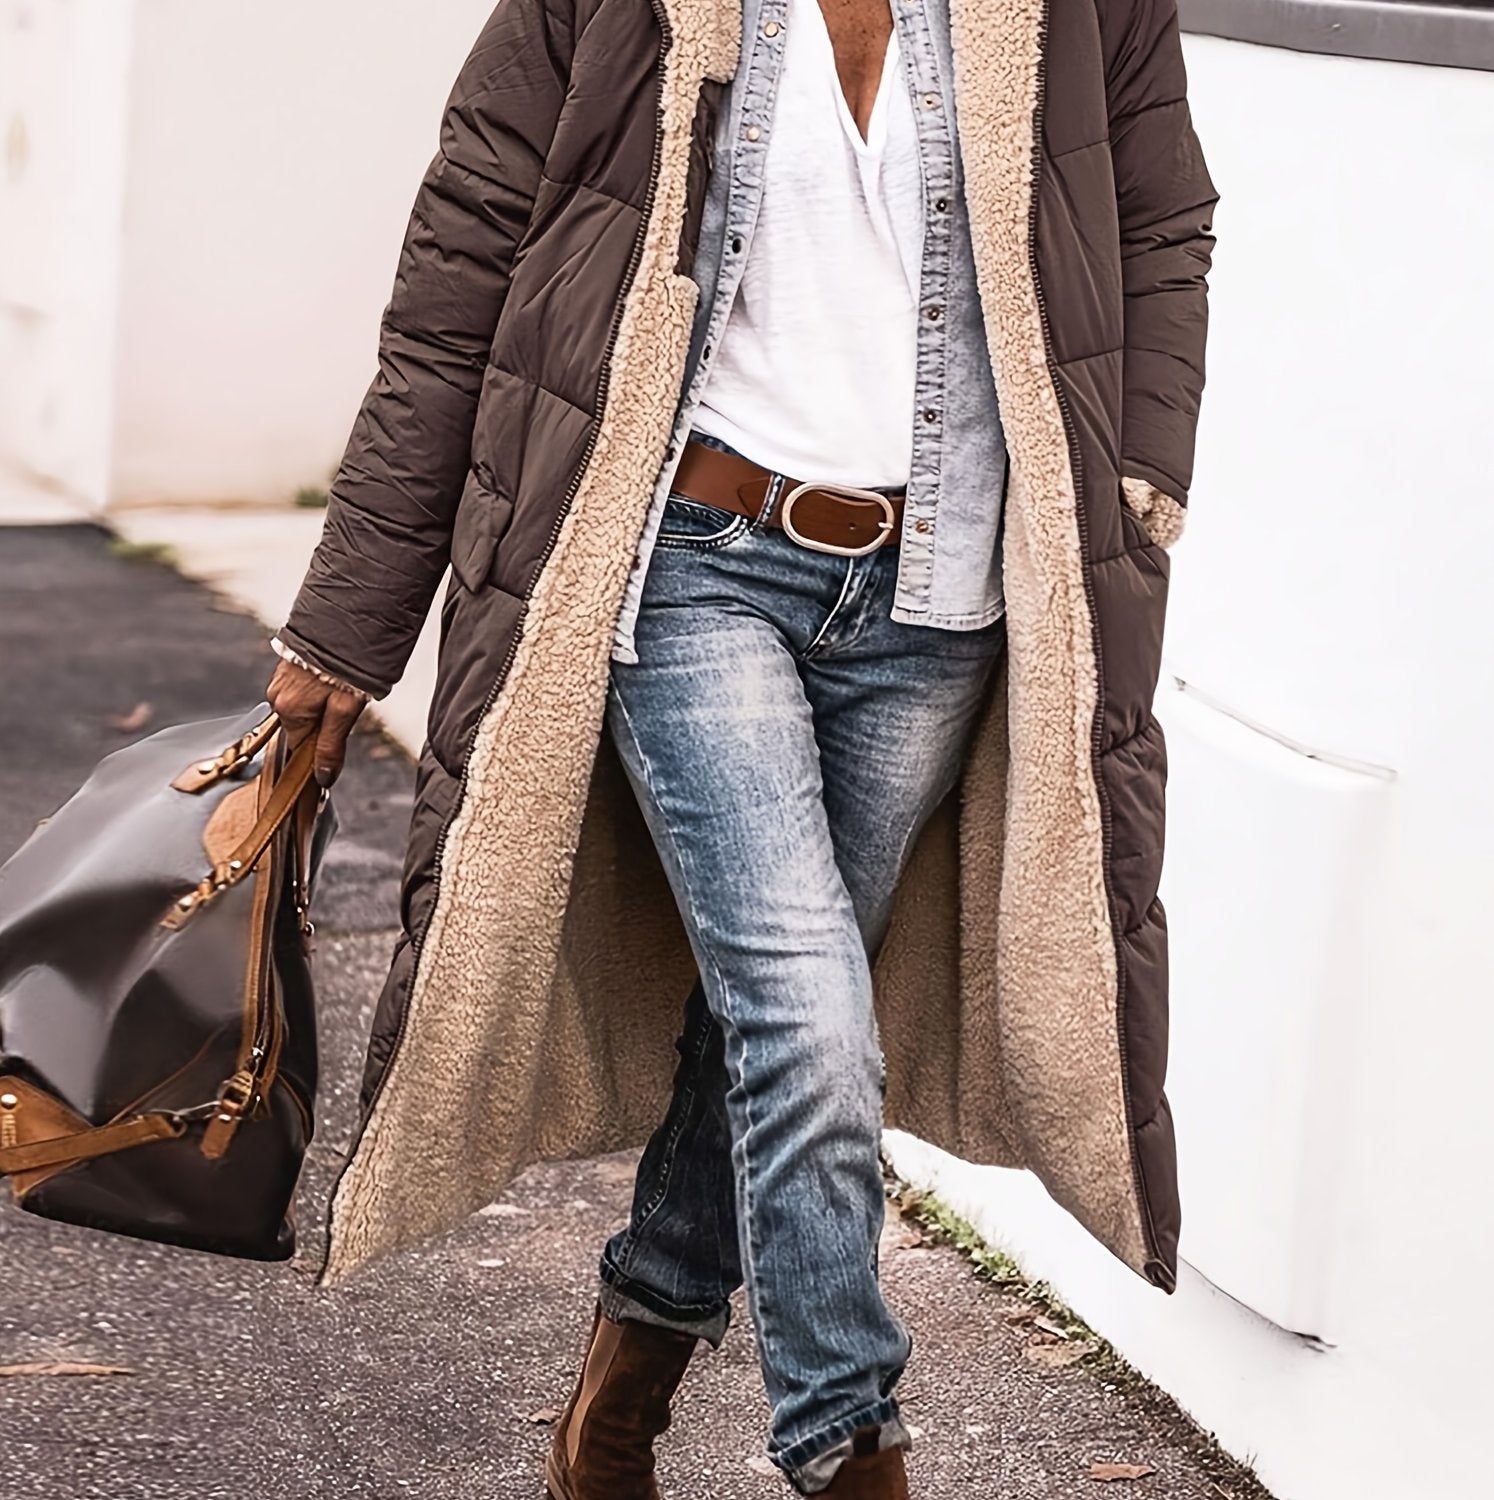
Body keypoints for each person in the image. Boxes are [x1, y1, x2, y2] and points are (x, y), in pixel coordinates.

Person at [267, 0, 1216, 1492]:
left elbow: (1162, 226)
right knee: (811, 1025)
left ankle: (621, 1392)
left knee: (766, 1029)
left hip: (936, 596)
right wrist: (347, 619)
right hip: (696, 567)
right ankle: (849, 1443)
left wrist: (1140, 479)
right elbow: (461, 267)